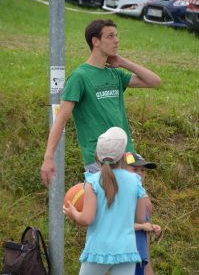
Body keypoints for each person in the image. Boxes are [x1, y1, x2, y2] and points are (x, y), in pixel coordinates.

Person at [40, 19, 161, 187]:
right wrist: (49, 157)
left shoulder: (115, 74)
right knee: (105, 211)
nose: (116, 40)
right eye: (110, 36)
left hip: (126, 156)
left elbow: (154, 81)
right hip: (100, 159)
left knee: (130, 210)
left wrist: (123, 63)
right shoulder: (79, 77)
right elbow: (60, 119)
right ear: (95, 41)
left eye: (116, 36)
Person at [63, 127, 146, 275]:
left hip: (98, 250)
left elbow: (87, 219)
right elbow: (140, 218)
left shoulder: (92, 181)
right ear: (124, 156)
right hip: (126, 251)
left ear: (97, 156)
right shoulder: (135, 180)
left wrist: (74, 213)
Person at [124, 152, 161, 275]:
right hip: (126, 254)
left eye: (142, 170)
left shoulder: (139, 195)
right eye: (135, 169)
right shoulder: (124, 195)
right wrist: (142, 226)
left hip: (139, 254)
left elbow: (142, 222)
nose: (140, 173)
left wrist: (151, 227)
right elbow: (119, 225)